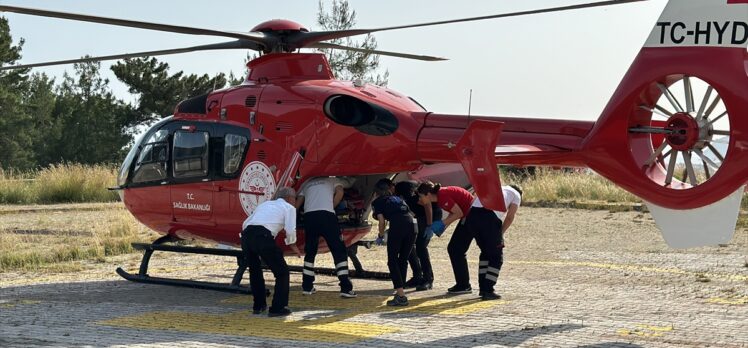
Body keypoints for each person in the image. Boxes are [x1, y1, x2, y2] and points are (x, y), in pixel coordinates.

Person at [417, 182, 522, 300]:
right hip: (483, 216)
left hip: (471, 216)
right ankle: (485, 289)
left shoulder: (496, 187)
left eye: (420, 196)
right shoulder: (515, 194)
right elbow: (510, 216)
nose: (418, 200)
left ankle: (477, 287)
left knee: (482, 252)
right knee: (494, 255)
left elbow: (465, 206)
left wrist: (443, 224)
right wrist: (500, 234)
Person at [240, 186, 302, 317]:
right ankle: (278, 308)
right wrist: (293, 245)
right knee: (282, 272)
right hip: (263, 237)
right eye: (295, 199)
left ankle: (259, 306)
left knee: (254, 271)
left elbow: (246, 222)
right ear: (290, 198)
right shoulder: (289, 208)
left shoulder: (266, 204)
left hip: (247, 236)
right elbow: (290, 229)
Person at [296, 176, 357, 298]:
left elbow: (297, 204)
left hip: (310, 217)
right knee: (338, 250)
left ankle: (307, 286)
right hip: (327, 215)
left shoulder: (306, 183)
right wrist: (332, 205)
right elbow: (340, 191)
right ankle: (345, 287)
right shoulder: (332, 180)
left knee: (310, 251)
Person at [372, 179, 417, 306]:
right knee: (403, 259)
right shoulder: (398, 199)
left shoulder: (378, 202)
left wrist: (381, 235)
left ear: (376, 192)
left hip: (398, 226)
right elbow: (410, 213)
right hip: (412, 226)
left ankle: (401, 296)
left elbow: (381, 221)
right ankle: (400, 290)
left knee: (392, 260)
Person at [394, 180, 441, 291]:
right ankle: (417, 276)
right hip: (422, 218)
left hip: (429, 217)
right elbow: (412, 213)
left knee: (421, 247)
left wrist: (429, 225)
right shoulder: (407, 199)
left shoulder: (412, 199)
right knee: (409, 247)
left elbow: (428, 206)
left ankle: (428, 279)